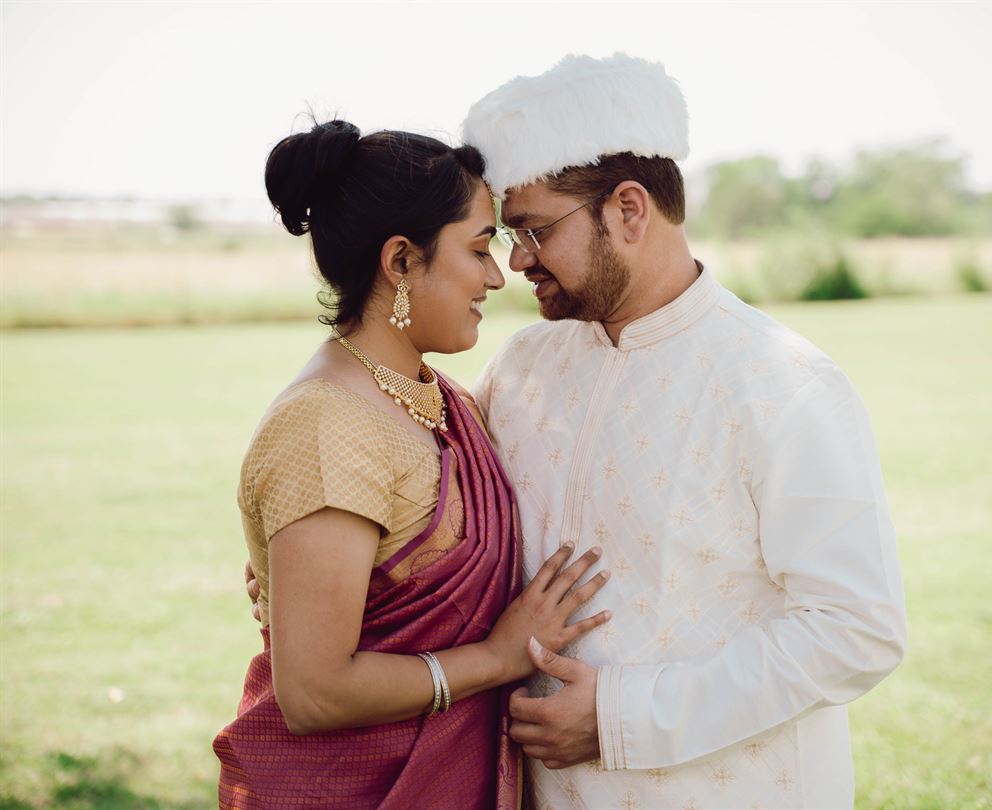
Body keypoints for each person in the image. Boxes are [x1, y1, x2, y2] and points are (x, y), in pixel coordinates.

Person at [461, 53, 907, 809]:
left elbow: (855, 629)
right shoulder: (521, 367)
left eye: (534, 230)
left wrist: (622, 718)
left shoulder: (783, 383)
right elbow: (450, 517)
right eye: (509, 234)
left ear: (629, 211)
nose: (517, 260)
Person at [214, 120, 612, 809]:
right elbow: (312, 693)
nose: (497, 276)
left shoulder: (444, 399)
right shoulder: (326, 425)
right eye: (479, 248)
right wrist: (498, 658)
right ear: (400, 261)